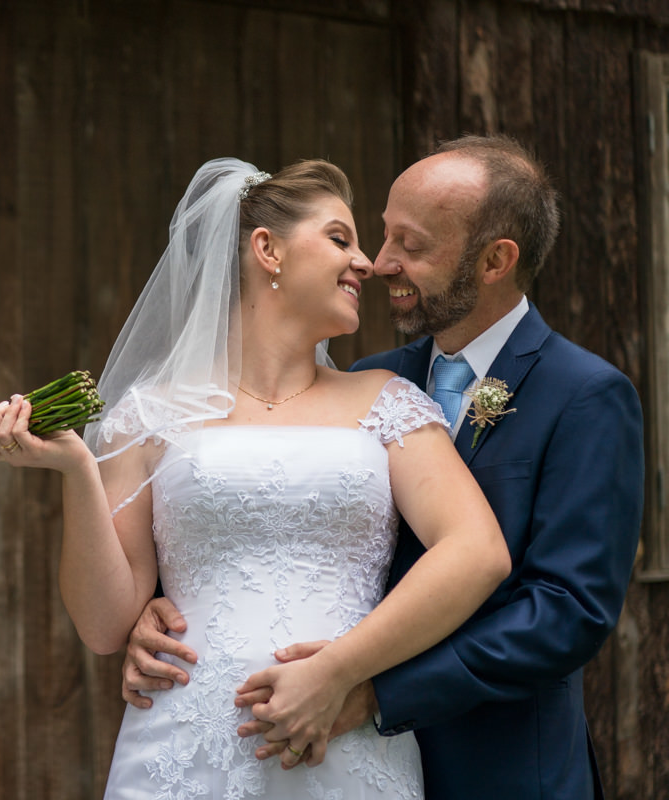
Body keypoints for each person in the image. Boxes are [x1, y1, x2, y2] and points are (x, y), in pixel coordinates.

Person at [0, 157, 511, 798]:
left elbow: (477, 553)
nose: (366, 262)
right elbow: (105, 624)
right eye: (341, 238)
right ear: (266, 249)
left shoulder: (389, 402)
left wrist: (338, 671)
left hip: (339, 742)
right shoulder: (148, 417)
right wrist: (77, 468)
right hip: (180, 748)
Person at [122, 137, 645, 798]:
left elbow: (566, 612)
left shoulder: (585, 396)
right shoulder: (372, 382)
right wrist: (159, 613)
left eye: (412, 245)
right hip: (329, 755)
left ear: (495, 260)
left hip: (500, 769)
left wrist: (373, 691)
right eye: (382, 235)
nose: (379, 262)